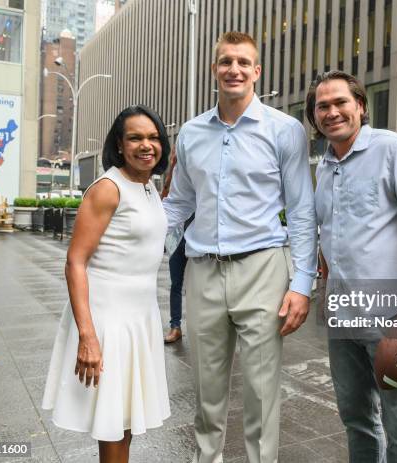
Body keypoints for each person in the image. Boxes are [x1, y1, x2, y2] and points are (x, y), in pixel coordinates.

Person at [163, 31, 317, 463]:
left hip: (263, 269)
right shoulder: (191, 134)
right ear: (215, 69)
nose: (234, 69)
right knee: (206, 391)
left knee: (262, 391)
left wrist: (302, 284)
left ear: (256, 71)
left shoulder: (285, 131)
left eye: (243, 62)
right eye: (226, 61)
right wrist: (130, 241)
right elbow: (179, 204)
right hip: (203, 272)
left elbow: (302, 211)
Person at [306, 70, 397, 462]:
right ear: (314, 116)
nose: (332, 112)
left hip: (395, 317)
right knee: (356, 421)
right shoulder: (324, 168)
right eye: (323, 106)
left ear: (360, 107)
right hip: (343, 319)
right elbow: (330, 233)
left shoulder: (394, 149)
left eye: (340, 103)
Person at [42, 105, 171, 463]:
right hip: (108, 318)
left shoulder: (147, 186)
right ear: (119, 143)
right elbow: (75, 261)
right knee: (112, 423)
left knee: (124, 421)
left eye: (154, 137)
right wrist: (87, 335)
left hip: (139, 316)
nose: (146, 145)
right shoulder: (108, 188)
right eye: (135, 138)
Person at [160, 147, 192, 343]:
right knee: (176, 284)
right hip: (178, 239)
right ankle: (175, 326)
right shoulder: (177, 176)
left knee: (202, 285)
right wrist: (173, 168)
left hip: (202, 240)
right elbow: (164, 200)